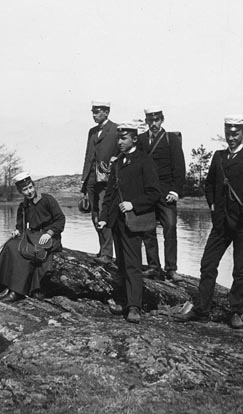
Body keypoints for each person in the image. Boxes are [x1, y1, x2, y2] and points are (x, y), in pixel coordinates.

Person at [174, 116, 243, 329]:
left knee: (240, 270)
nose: (231, 137)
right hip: (221, 222)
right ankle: (201, 311)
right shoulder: (218, 157)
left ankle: (235, 312)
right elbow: (209, 184)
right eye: (228, 133)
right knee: (208, 264)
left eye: (235, 133)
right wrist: (212, 205)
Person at [98, 122, 162, 323]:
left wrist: (133, 204)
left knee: (133, 265)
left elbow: (154, 193)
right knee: (122, 264)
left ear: (134, 138)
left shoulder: (145, 161)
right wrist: (103, 218)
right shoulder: (117, 163)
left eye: (124, 138)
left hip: (132, 221)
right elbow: (109, 194)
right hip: (117, 222)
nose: (120, 142)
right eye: (118, 138)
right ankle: (126, 303)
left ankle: (135, 307)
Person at [0, 172, 65, 303]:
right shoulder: (23, 206)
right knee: (10, 246)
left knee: (25, 252)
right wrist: (17, 231)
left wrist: (49, 233)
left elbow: (60, 220)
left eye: (30, 187)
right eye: (25, 189)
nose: (29, 191)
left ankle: (17, 292)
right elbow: (21, 226)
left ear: (33, 185)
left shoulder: (47, 199)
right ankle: (2, 285)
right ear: (20, 191)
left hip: (50, 237)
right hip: (33, 235)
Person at [137, 107, 186, 283]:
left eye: (156, 120)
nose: (154, 123)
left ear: (162, 120)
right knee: (148, 230)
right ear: (146, 121)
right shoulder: (141, 139)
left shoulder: (171, 139)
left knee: (170, 229)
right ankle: (153, 267)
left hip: (167, 194)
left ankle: (171, 269)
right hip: (148, 193)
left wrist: (175, 191)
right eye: (150, 120)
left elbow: (179, 168)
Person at [80, 101, 119, 265]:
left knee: (104, 213)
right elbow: (88, 156)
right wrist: (84, 179)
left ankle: (108, 253)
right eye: (93, 112)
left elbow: (121, 152)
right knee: (94, 214)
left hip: (106, 178)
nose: (94, 115)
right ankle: (102, 249)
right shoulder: (92, 131)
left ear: (106, 112)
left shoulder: (116, 129)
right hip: (91, 178)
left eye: (97, 112)